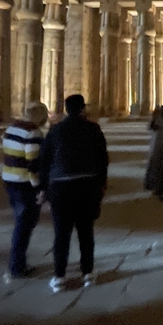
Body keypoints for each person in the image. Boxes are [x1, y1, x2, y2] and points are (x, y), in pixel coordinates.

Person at [39, 94, 110, 293]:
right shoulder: (93, 129)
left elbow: (44, 162)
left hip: (61, 188)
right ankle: (87, 273)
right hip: (87, 186)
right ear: (82, 109)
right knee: (86, 232)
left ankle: (59, 277)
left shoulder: (55, 131)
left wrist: (44, 188)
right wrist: (101, 185)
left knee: (61, 234)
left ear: (66, 110)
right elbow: (103, 160)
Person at [1, 101, 49, 282]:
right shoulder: (33, 133)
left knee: (21, 222)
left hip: (9, 180)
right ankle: (17, 266)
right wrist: (39, 188)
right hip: (24, 184)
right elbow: (32, 165)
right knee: (24, 225)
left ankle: (18, 262)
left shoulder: (11, 128)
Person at [144, 105, 163, 201]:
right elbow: (151, 127)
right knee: (157, 168)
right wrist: (153, 117)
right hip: (157, 147)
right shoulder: (160, 121)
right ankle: (158, 188)